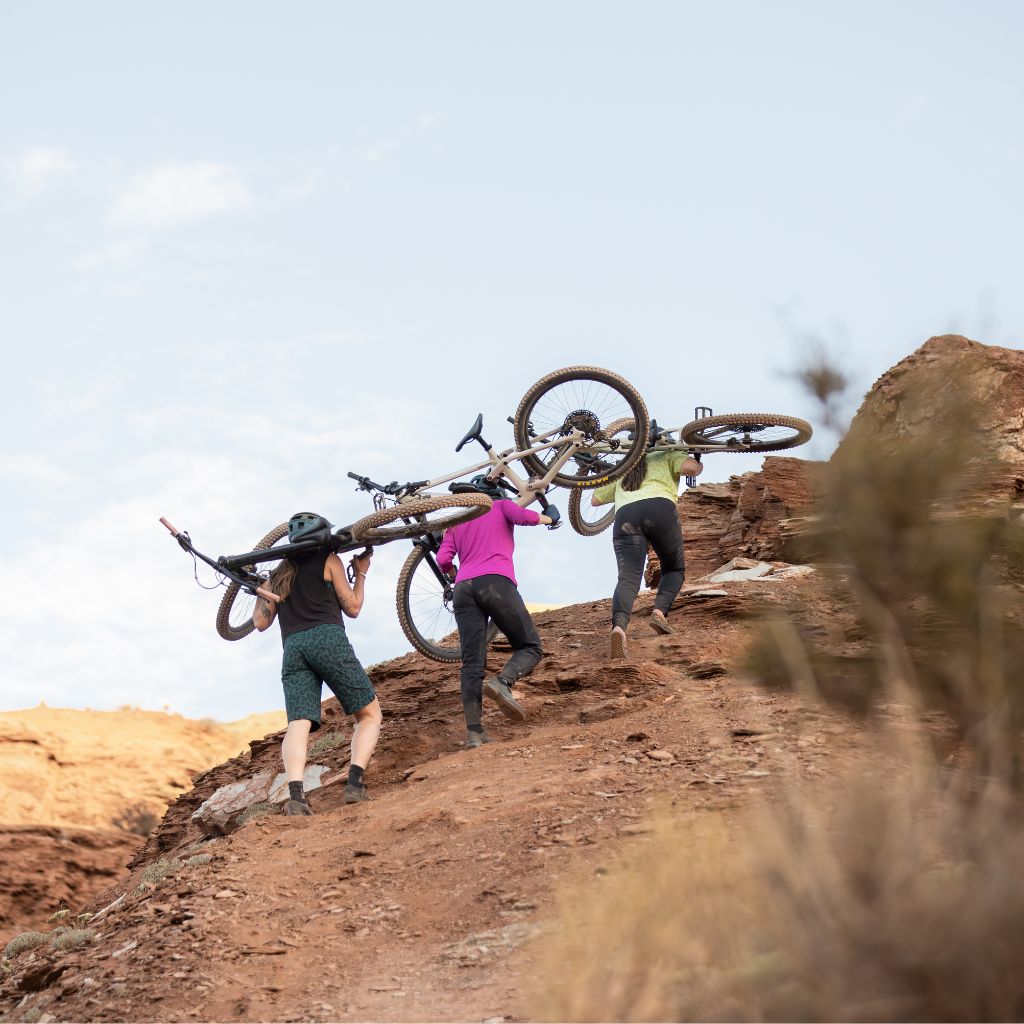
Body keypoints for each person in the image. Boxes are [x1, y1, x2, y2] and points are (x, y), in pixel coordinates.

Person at [253, 512, 383, 814]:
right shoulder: (330, 559)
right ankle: (354, 784)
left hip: (293, 648)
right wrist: (361, 573)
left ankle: (296, 798)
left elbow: (260, 622)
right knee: (369, 715)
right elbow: (353, 607)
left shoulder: (279, 573)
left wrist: (260, 589)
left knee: (298, 724)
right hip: (327, 639)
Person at [436, 476, 559, 747]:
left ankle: (474, 733)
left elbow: (443, 560)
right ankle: (503, 682)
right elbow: (526, 517)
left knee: (472, 663)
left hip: (463, 590)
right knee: (530, 646)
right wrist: (550, 518)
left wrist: (458, 575)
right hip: (495, 582)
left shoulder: (455, 523)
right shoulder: (501, 506)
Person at [591, 442, 703, 659]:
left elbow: (596, 500)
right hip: (659, 508)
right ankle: (659, 612)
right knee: (673, 568)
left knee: (627, 579)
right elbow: (690, 469)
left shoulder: (624, 464)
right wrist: (698, 462)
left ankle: (619, 629)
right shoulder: (668, 452)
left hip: (625, 516)